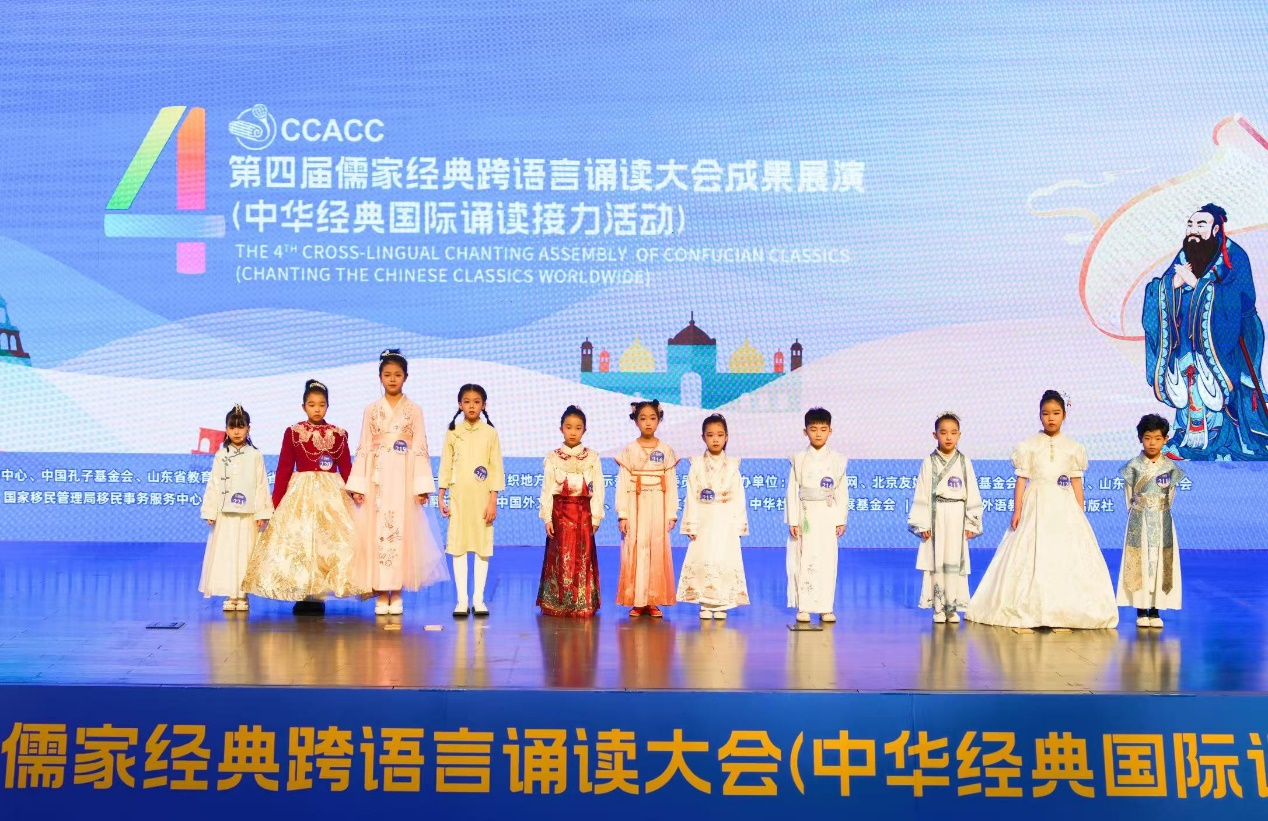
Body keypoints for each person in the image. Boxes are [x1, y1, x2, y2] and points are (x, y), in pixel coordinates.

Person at [966, 391, 1119, 630]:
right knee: (1033, 554)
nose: (1051, 418)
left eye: (1056, 413)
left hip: (1063, 505)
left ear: (1064, 415)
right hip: (1036, 504)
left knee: (1063, 555)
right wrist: (1017, 510)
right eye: (1046, 413)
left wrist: (1080, 512)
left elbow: (1076, 481)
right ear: (1039, 416)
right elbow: (1021, 480)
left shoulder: (1073, 447)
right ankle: (1033, 609)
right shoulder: (1029, 445)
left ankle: (1064, 610)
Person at [1142, 203, 1268, 459]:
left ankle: (1225, 441)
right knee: (1190, 384)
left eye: (1201, 225)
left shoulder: (1234, 257)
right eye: (1190, 224)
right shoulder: (1184, 256)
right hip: (1187, 341)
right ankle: (1188, 437)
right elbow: (1159, 290)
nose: (1193, 230)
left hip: (1230, 338)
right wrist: (1171, 286)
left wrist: (1199, 286)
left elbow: (1238, 299)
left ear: (1216, 229)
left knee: (1221, 388)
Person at [241, 379, 365, 613]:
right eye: (311, 404)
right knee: (300, 542)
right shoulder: (294, 432)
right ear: (303, 407)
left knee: (329, 543)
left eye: (321, 404)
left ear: (328, 406)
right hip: (302, 495)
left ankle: (319, 595)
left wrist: (355, 492)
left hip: (331, 495)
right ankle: (304, 594)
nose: (317, 409)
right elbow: (284, 468)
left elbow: (347, 468)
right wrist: (274, 504)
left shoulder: (339, 434)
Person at [347, 350, 448, 616]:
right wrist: (358, 486)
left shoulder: (414, 410)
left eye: (397, 375)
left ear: (406, 377)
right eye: (387, 374)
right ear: (380, 377)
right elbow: (363, 447)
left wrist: (421, 487)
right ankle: (382, 592)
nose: (392, 379)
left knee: (403, 533)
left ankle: (398, 591)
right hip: (377, 479)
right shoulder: (371, 410)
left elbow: (421, 448)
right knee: (376, 534)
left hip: (404, 477)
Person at [908, 412, 983, 623]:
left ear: (959, 435)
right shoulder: (929, 462)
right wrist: (922, 523)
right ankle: (939, 608)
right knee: (936, 560)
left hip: (957, 515)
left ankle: (953, 608)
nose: (948, 437)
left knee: (955, 561)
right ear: (935, 435)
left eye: (953, 433)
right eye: (943, 432)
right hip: (937, 515)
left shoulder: (964, 462)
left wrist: (971, 522)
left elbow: (973, 492)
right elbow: (922, 493)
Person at [438, 384, 504, 617]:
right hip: (459, 498)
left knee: (481, 547)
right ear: (460, 404)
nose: (472, 406)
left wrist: (493, 500)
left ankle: (478, 599)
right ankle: (462, 600)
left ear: (484, 405)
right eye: (467, 401)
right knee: (458, 547)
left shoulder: (490, 433)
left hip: (482, 499)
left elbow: (496, 468)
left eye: (477, 402)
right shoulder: (453, 431)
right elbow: (446, 464)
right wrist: (441, 495)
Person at [198, 404, 271, 611]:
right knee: (228, 554)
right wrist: (210, 511)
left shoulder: (255, 455)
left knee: (245, 555)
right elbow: (214, 483)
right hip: (226, 514)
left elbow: (261, 484)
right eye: (232, 427)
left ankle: (243, 594)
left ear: (248, 428)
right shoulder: (221, 455)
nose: (237, 431)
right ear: (226, 429)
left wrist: (262, 512)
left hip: (247, 515)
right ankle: (232, 594)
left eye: (241, 426)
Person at [677, 413, 749, 619]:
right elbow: (691, 495)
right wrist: (691, 524)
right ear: (703, 438)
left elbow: (739, 497)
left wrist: (739, 524)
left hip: (726, 519)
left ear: (726, 437)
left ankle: (723, 602)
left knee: (724, 556)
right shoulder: (696, 464)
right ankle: (705, 602)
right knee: (704, 556)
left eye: (719, 435)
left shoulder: (733, 465)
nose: (715, 439)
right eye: (710, 435)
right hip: (704, 517)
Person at [1116, 413, 1184, 628]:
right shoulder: (1133, 466)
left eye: (1157, 438)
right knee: (1140, 561)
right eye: (1147, 438)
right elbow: (1128, 494)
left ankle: (1155, 610)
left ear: (1165, 439)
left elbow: (1171, 495)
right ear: (1140, 439)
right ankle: (1141, 609)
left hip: (1163, 520)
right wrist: (1138, 511)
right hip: (1139, 520)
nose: (1152, 443)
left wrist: (1160, 508)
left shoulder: (1170, 467)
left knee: (1160, 561)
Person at [535, 405, 604, 617]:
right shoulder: (553, 457)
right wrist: (547, 517)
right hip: (560, 513)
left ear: (584, 430)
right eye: (568, 427)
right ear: (561, 429)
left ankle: (581, 601)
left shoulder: (592, 457)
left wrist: (596, 516)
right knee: (560, 557)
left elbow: (598, 488)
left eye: (578, 428)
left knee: (582, 557)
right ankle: (558, 601)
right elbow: (547, 489)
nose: (573, 432)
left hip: (583, 513)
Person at [614, 400, 679, 618]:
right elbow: (623, 483)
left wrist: (671, 513)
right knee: (636, 547)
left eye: (652, 418)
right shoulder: (629, 450)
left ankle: (652, 600)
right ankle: (637, 600)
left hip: (658, 504)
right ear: (636, 422)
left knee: (656, 548)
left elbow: (671, 484)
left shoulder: (666, 450)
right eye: (643, 419)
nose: (648, 423)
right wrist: (623, 514)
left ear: (659, 420)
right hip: (635, 503)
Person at [785, 407, 848, 624]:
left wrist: (841, 519)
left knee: (827, 558)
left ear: (830, 431)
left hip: (828, 514)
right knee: (804, 558)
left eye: (823, 429)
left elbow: (842, 492)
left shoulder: (838, 460)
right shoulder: (799, 459)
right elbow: (792, 491)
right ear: (805, 432)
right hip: (806, 515)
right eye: (813, 429)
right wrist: (793, 519)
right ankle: (804, 607)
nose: (818, 434)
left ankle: (825, 608)